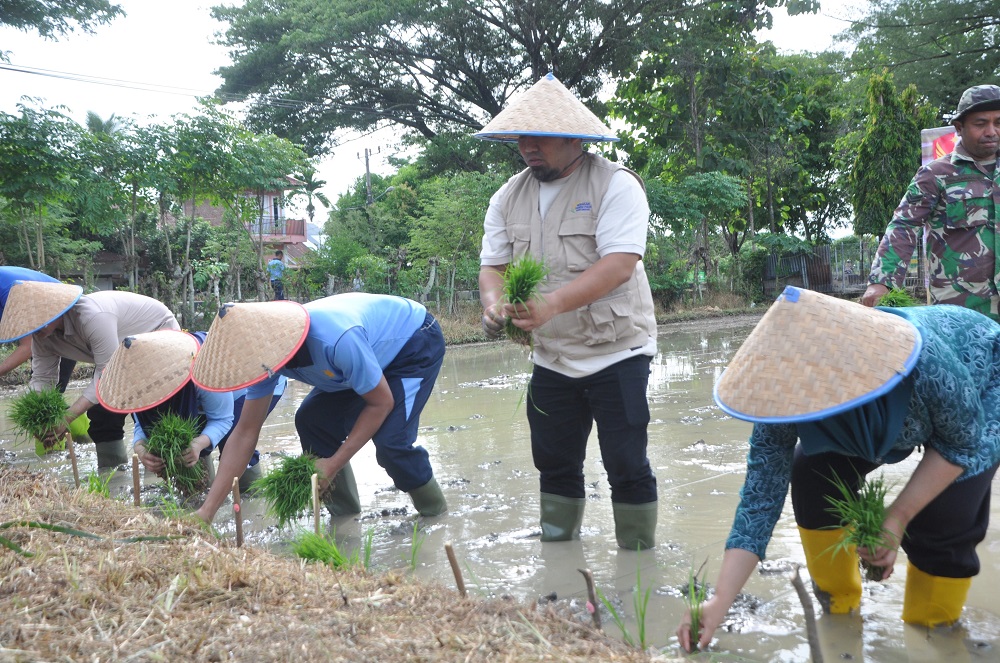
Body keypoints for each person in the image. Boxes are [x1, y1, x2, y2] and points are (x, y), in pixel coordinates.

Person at [676, 287, 1000, 652]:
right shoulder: (780, 396)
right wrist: (720, 600)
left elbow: (960, 445)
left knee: (942, 518)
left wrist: (896, 518)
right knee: (812, 475)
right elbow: (758, 503)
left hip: (984, 381)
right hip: (895, 416)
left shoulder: (926, 363)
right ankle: (839, 609)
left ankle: (935, 632)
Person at [475, 73, 659, 550]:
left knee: (625, 463)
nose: (529, 147)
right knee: (553, 462)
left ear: (576, 138)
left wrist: (551, 304)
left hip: (617, 351)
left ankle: (637, 564)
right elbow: (493, 266)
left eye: (541, 138)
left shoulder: (616, 185)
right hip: (551, 357)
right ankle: (559, 558)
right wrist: (495, 307)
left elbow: (620, 265)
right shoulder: (507, 196)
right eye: (522, 138)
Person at [190, 292, 448, 524]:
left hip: (412, 344)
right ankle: (345, 520)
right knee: (311, 421)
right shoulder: (264, 360)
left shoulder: (335, 339)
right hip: (363, 356)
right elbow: (245, 432)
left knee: (392, 443)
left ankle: (434, 515)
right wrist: (206, 512)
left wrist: (334, 463)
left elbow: (381, 403)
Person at [0, 281, 180, 467]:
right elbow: (42, 379)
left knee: (151, 414)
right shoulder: (42, 337)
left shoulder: (92, 317)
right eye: (30, 326)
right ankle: (113, 478)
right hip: (118, 353)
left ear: (56, 310)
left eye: (38, 321)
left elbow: (108, 375)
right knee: (103, 417)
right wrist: (42, 418)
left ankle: (162, 475)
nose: (34, 330)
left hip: (156, 337)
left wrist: (67, 417)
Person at [862, 84, 1000, 319]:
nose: (991, 131)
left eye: (998, 122)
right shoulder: (935, 174)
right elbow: (904, 226)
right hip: (962, 310)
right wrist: (881, 282)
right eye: (980, 123)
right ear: (959, 127)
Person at [96, 330, 286, 493]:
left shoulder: (200, 368)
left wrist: (199, 444)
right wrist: (140, 446)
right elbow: (140, 423)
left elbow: (223, 419)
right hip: (206, 393)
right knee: (190, 447)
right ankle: (203, 495)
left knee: (234, 443)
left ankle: (250, 498)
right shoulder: (135, 387)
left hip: (253, 381)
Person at [0, 267, 76, 391]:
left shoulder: (13, 291)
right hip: (43, 327)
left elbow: (27, 347)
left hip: (66, 324)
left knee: (48, 393)